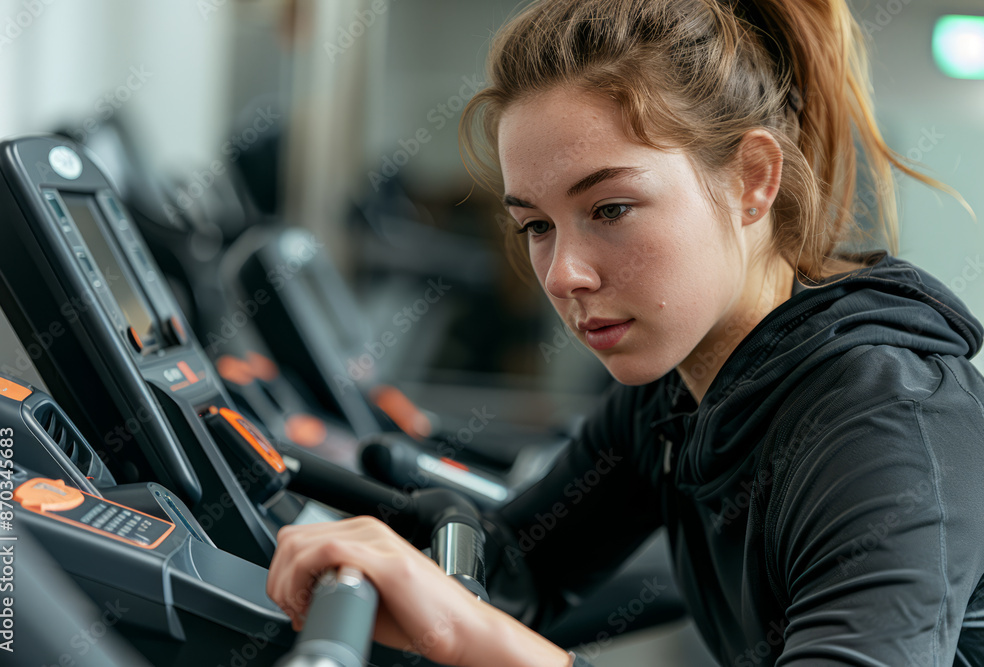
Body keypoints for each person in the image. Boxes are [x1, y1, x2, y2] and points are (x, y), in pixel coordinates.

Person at [267, 0, 984, 664]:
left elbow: (482, 618)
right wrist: (383, 555)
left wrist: (460, 630)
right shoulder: (679, 397)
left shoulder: (887, 427)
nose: (561, 275)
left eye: (609, 209)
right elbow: (525, 568)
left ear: (754, 181)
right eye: (536, 227)